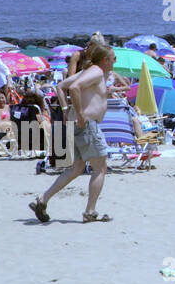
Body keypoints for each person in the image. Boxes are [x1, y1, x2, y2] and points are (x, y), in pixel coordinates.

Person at [29, 42, 118, 223]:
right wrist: (80, 114)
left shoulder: (91, 72)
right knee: (99, 168)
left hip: (78, 126)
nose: (115, 61)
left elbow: (61, 86)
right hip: (87, 125)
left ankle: (42, 200)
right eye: (114, 58)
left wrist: (65, 109)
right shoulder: (97, 72)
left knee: (76, 168)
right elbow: (75, 88)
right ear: (105, 60)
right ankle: (90, 212)